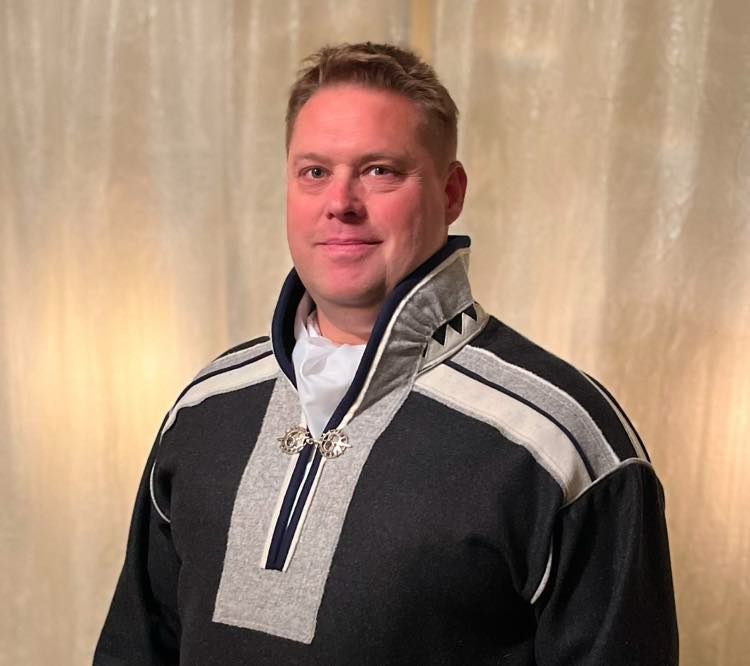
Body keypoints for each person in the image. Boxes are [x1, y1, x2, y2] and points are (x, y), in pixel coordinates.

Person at [95, 42, 678, 665]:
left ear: (451, 192)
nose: (340, 203)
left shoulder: (562, 441)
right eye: (314, 172)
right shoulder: (206, 406)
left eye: (379, 171)